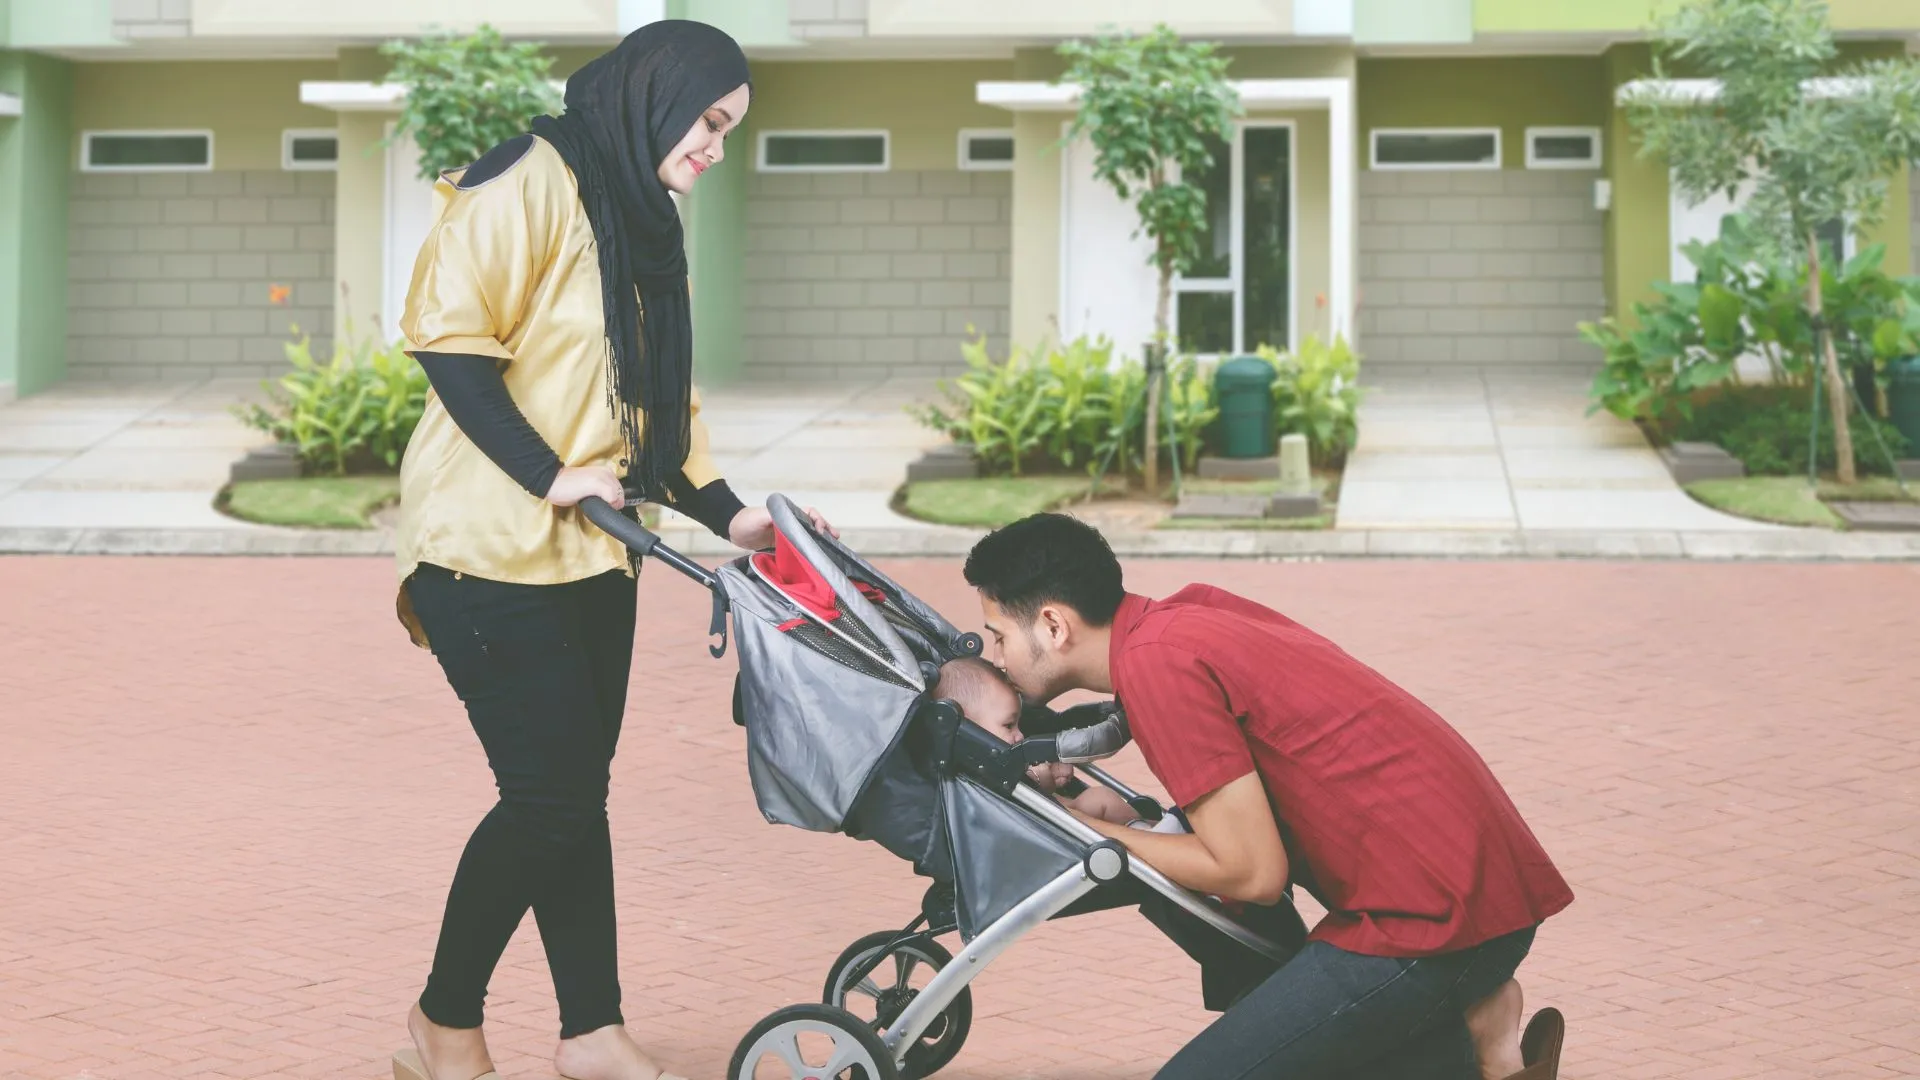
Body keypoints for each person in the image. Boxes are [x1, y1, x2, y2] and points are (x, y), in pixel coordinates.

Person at [389, 21, 832, 1080]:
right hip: (485, 552)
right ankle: (443, 1020)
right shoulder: (527, 181)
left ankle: (591, 1031)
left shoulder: (640, 218)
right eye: (712, 121)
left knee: (572, 797)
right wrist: (550, 475)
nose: (718, 146)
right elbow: (448, 341)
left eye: (731, 128)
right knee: (550, 798)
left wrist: (733, 516)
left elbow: (651, 407)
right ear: (655, 95)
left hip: (595, 554)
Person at [961, 513, 1574, 1080]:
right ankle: (1470, 1035)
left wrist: (1091, 832)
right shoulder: (1185, 616)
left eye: (998, 636)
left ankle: (1465, 1035)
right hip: (1469, 886)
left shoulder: (1157, 669)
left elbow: (1252, 873)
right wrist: (1136, 824)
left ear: (1052, 625)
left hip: (1435, 922)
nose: (997, 657)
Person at [929, 656, 1137, 825]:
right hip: (1051, 835)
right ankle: (1147, 834)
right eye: (1009, 725)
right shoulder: (974, 770)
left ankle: (1147, 832)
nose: (1020, 735)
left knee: (1098, 799)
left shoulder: (996, 758)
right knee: (1101, 799)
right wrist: (1041, 777)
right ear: (968, 728)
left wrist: (1053, 772)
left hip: (1060, 819)